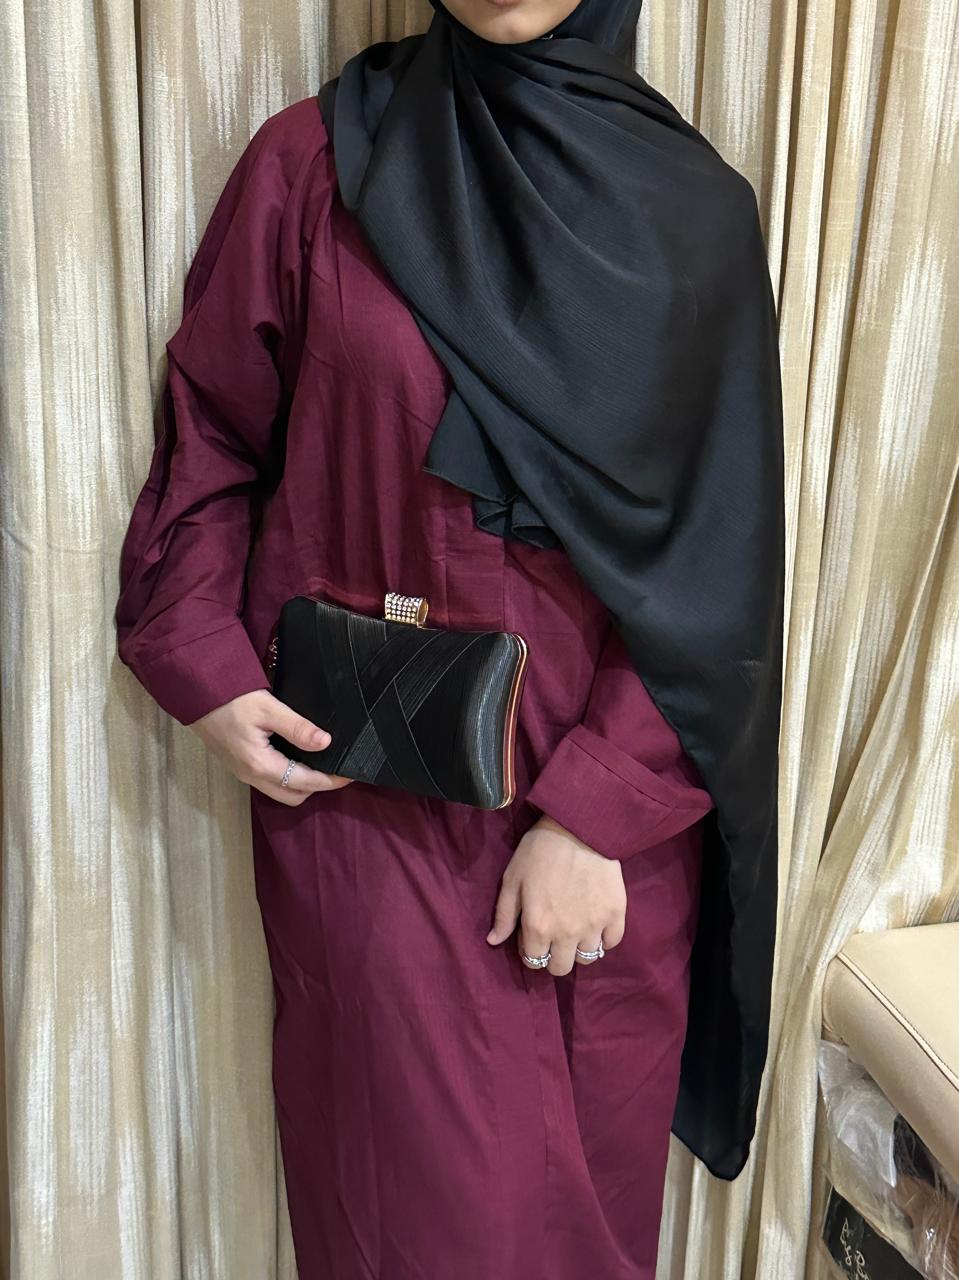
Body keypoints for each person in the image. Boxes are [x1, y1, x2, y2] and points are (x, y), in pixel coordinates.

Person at [115, 1, 785, 1276]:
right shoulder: (314, 168)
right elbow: (211, 433)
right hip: (367, 817)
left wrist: (598, 811)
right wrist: (203, 663)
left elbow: (722, 556)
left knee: (574, 1232)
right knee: (397, 1225)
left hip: (599, 842)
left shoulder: (693, 217)